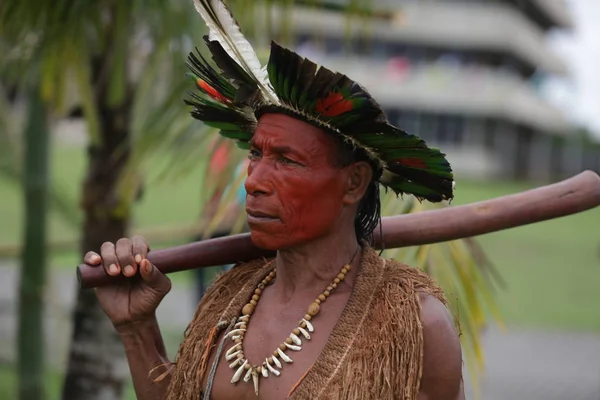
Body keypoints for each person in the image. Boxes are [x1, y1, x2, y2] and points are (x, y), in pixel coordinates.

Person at [83, 1, 464, 399]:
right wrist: (137, 329)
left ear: (353, 183)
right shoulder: (227, 298)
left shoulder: (414, 325)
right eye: (255, 154)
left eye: (287, 160)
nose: (255, 182)